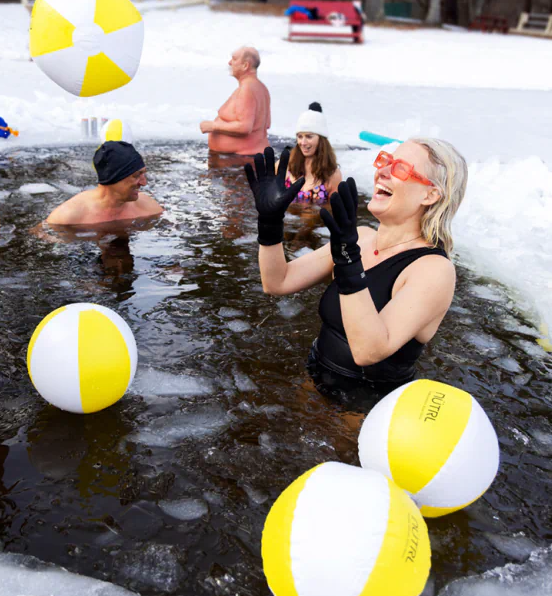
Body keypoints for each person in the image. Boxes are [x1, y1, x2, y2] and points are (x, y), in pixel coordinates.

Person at [244, 139, 467, 394]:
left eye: (401, 167)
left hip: (364, 406)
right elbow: (277, 282)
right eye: (386, 161)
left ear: (430, 195)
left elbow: (367, 352)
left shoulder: (433, 270)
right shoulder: (360, 237)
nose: (382, 171)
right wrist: (270, 224)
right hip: (314, 379)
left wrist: (348, 261)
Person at [46, 141, 163, 226]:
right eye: (136, 175)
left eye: (143, 174)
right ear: (113, 177)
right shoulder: (66, 217)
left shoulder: (149, 208)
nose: (144, 183)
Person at [199, 47, 271, 157]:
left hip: (241, 158)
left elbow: (245, 127)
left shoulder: (247, 89)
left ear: (245, 65)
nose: (229, 62)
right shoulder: (261, 88)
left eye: (234, 59)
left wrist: (213, 126)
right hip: (247, 155)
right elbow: (267, 124)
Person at [286, 102, 343, 203]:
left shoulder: (332, 174)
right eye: (300, 137)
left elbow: (334, 208)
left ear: (321, 140)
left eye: (309, 136)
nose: (303, 142)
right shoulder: (287, 164)